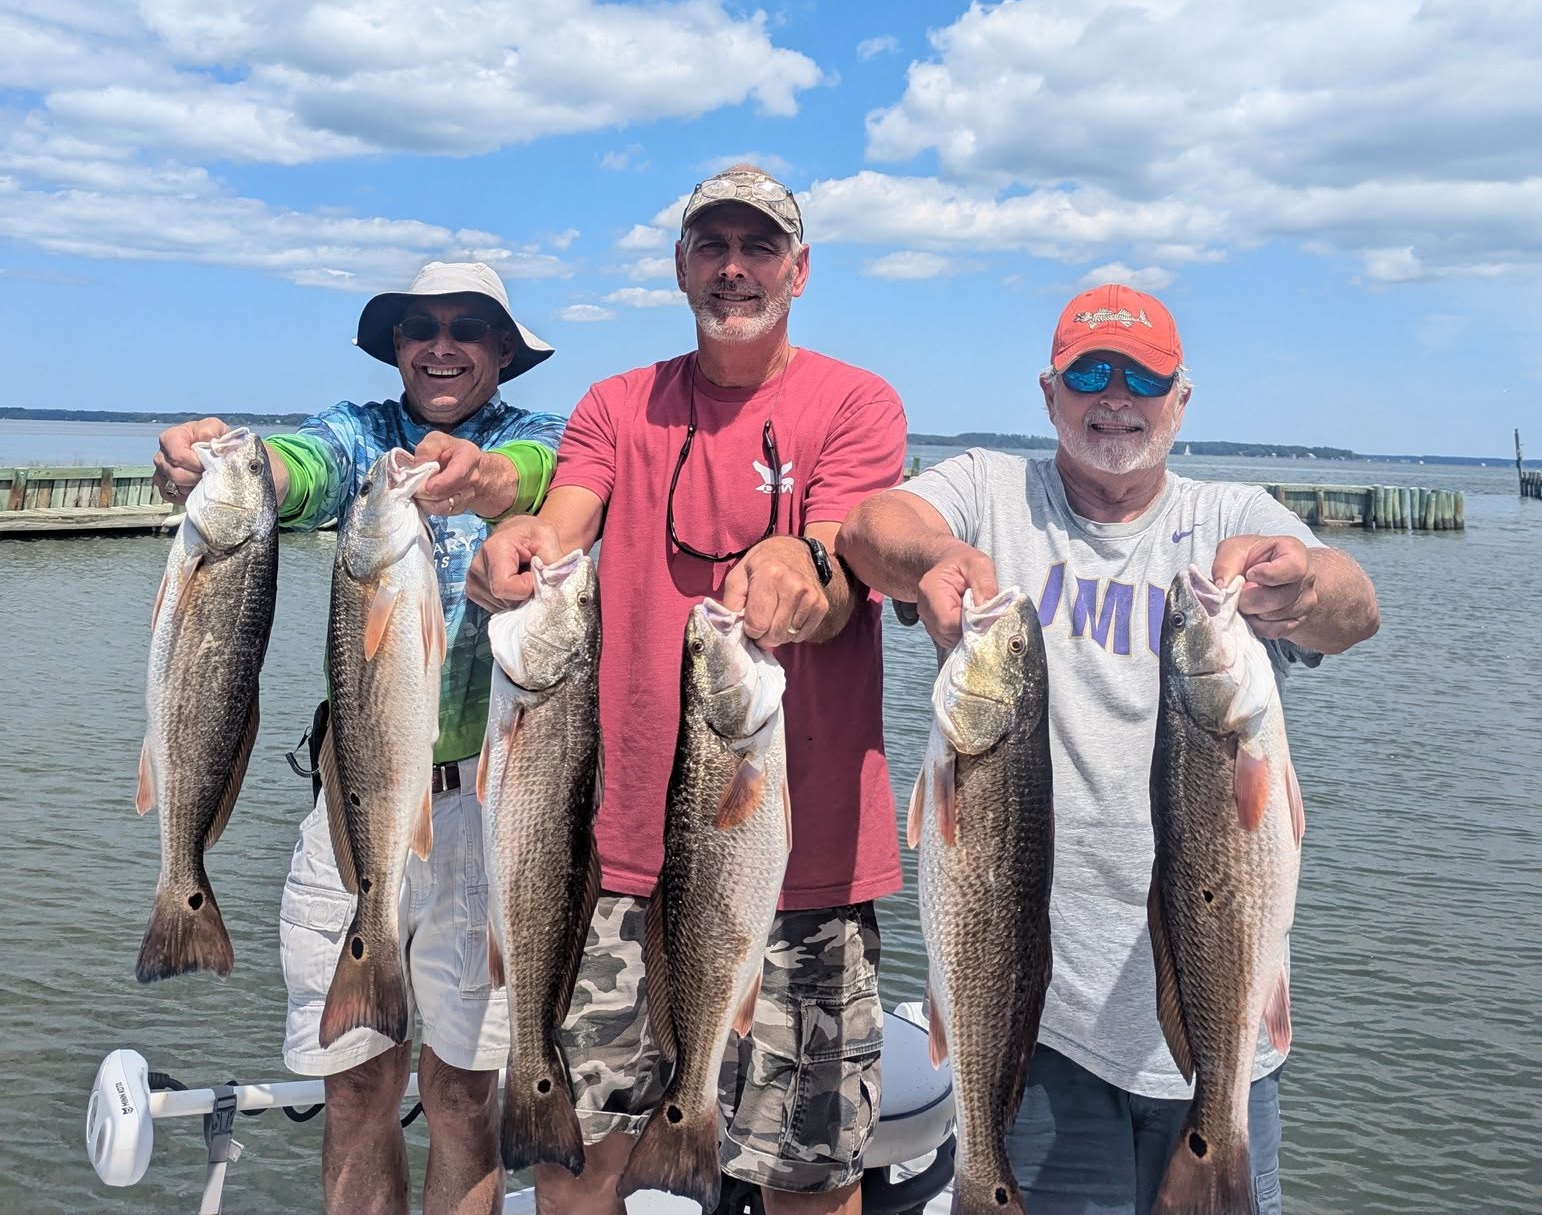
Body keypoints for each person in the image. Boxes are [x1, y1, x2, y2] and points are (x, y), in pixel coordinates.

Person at [837, 282, 1379, 1215]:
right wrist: (931, 561)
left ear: (1181, 400)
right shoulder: (990, 489)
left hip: (1224, 1029)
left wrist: (1305, 592)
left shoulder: (1229, 517)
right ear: (1049, 394)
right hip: (1040, 1027)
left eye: (1143, 376)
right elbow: (867, 526)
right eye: (1090, 373)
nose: (1115, 396)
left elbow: (1353, 607)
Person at [470, 165, 907, 1215]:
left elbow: (843, 562)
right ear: (679, 268)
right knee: (579, 1168)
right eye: (712, 246)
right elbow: (568, 515)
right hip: (611, 852)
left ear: (799, 270)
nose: (735, 268)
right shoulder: (619, 403)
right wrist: (525, 545)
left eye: (760, 247)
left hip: (799, 863)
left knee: (809, 1179)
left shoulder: (857, 402)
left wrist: (807, 568)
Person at [153, 260, 565, 1215]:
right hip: (354, 804)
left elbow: (549, 474)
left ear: (504, 352)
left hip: (492, 815)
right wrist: (226, 461)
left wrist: (491, 481)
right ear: (396, 349)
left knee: (465, 1096)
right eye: (420, 327)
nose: (442, 344)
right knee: (355, 1089)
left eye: (468, 327)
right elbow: (305, 467)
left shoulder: (543, 440)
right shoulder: (364, 436)